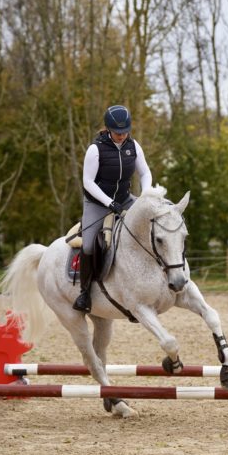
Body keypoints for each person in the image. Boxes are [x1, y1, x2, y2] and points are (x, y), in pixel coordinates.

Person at [73, 105, 153, 313]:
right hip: (97, 204)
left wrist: (145, 195)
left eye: (125, 131)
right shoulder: (95, 149)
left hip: (125, 199)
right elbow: (88, 182)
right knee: (89, 245)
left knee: (154, 223)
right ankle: (84, 293)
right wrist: (109, 203)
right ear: (108, 129)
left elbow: (144, 173)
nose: (121, 135)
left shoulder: (133, 146)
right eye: (118, 133)